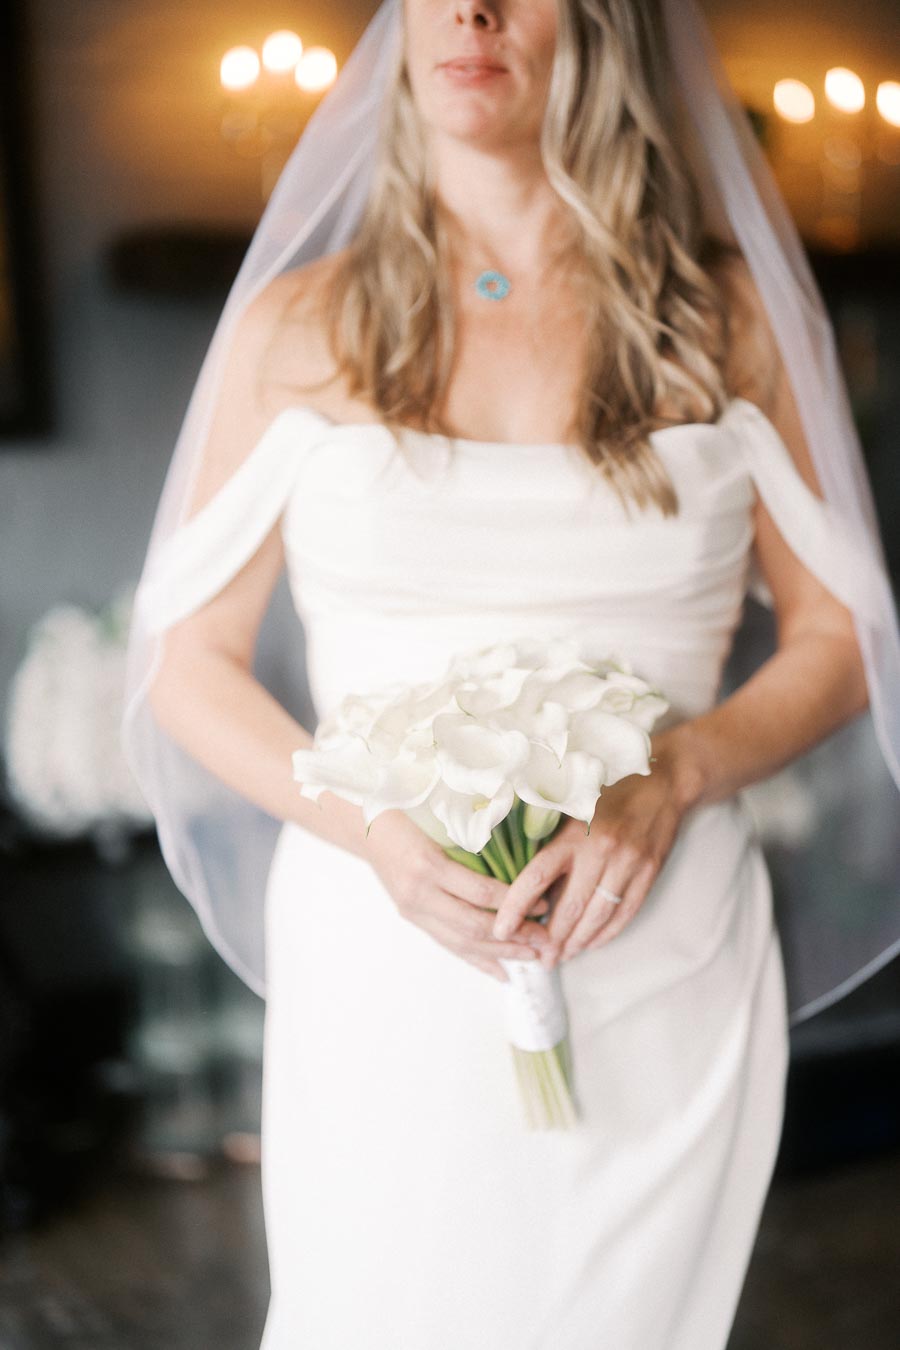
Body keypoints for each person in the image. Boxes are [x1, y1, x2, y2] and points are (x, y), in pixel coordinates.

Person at [122, 2, 899, 1347]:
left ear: (606, 26)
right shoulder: (295, 325)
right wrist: (365, 826)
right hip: (385, 940)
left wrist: (678, 771)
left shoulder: (728, 321)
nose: (471, 11)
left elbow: (842, 637)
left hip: (659, 932)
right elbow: (188, 660)